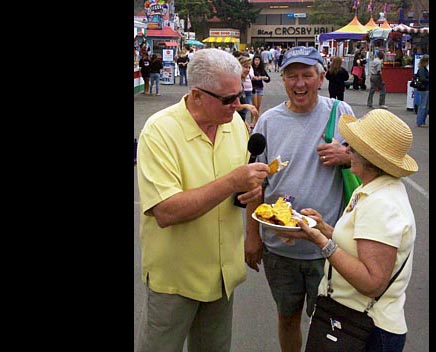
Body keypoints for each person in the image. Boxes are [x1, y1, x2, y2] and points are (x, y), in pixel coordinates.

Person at [136, 48, 270, 352]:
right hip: (176, 278)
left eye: (239, 93)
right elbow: (166, 211)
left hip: (222, 275)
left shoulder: (234, 123)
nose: (238, 105)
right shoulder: (159, 132)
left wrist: (252, 200)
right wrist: (233, 181)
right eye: (228, 99)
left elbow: (241, 191)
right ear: (196, 95)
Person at [245, 46, 355, 352]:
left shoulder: (342, 113)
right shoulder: (269, 121)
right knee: (287, 317)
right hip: (280, 249)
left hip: (328, 247)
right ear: (282, 79)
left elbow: (367, 165)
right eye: (292, 76)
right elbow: (257, 184)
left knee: (329, 324)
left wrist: (347, 155)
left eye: (307, 75)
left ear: (321, 77)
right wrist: (252, 237)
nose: (300, 83)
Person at [283, 108, 419, 352]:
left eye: (352, 147)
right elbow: (359, 245)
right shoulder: (372, 188)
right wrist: (322, 228)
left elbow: (372, 282)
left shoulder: (381, 203)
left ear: (370, 157)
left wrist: (322, 243)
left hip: (368, 328)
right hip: (355, 319)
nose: (346, 151)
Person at [415, 55, 430, 128]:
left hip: (425, 89)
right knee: (423, 106)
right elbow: (422, 79)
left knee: (425, 106)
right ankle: (420, 122)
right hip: (424, 89)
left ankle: (422, 121)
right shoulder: (422, 69)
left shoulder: (423, 68)